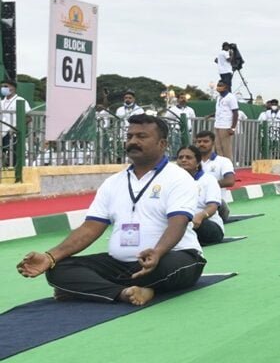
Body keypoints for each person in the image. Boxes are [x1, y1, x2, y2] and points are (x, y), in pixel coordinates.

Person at [15, 114, 204, 305]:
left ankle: (89, 289)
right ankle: (125, 292)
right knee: (59, 269)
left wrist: (158, 252)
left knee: (167, 267)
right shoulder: (113, 183)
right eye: (129, 136)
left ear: (162, 144)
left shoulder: (179, 178)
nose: (133, 142)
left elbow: (178, 222)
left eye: (141, 136)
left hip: (173, 257)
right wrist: (50, 257)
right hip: (121, 264)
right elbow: (90, 228)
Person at [174, 145, 225, 246]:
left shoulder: (208, 180)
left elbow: (212, 207)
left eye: (188, 157)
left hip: (205, 223)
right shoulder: (171, 181)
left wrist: (200, 216)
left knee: (186, 221)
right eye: (180, 157)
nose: (183, 160)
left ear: (197, 162)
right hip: (179, 221)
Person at [193, 131, 236, 222]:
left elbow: (230, 181)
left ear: (213, 143)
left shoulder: (223, 161)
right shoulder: (191, 162)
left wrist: (207, 186)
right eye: (199, 142)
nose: (201, 144)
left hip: (218, 205)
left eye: (205, 141)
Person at [1, 79, 28, 168]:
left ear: (13, 88)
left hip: (12, 134)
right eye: (2, 87)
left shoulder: (20, 100)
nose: (3, 88)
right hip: (1, 133)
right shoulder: (1, 102)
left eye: (6, 86)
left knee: (13, 158)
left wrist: (15, 128)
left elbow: (28, 117)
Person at [211, 80, 238, 164]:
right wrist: (210, 115)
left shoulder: (231, 97)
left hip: (226, 126)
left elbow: (235, 112)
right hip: (217, 124)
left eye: (220, 85)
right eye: (218, 85)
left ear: (225, 87)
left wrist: (233, 128)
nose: (218, 87)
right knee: (218, 147)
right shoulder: (219, 97)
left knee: (226, 148)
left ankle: (229, 166)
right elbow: (220, 111)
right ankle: (221, 165)